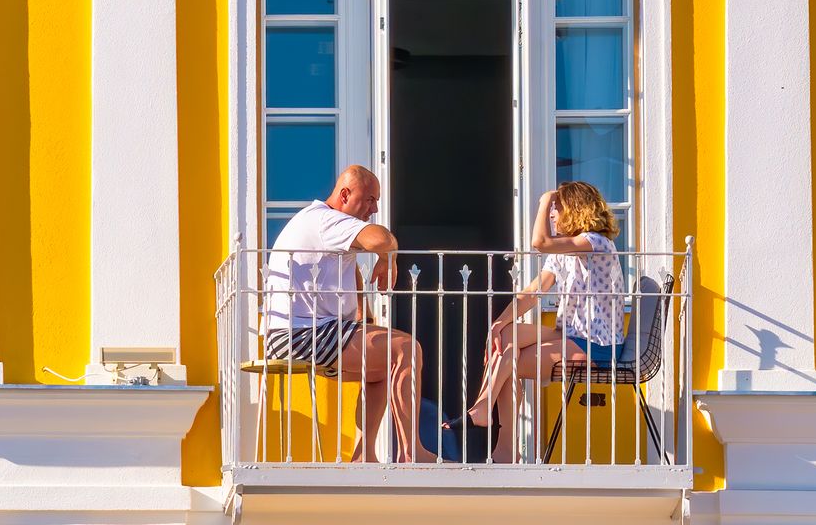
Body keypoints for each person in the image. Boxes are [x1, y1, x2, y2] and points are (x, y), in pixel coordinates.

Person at [261, 165, 428, 462]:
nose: (374, 209)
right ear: (345, 195)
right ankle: (411, 453)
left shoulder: (324, 225)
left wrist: (365, 321)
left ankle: (364, 455)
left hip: (301, 333)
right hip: (301, 335)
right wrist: (388, 256)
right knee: (407, 349)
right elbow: (382, 240)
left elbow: (351, 273)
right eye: (370, 199)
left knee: (381, 368)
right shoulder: (327, 220)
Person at [466, 182, 627, 459]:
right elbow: (533, 292)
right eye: (550, 209)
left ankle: (499, 438)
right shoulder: (563, 252)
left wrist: (544, 200)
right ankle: (490, 419)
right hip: (571, 334)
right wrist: (499, 324)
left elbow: (539, 242)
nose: (552, 214)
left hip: (597, 345)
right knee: (506, 337)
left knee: (509, 364)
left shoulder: (595, 242)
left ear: (574, 210)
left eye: (556, 208)